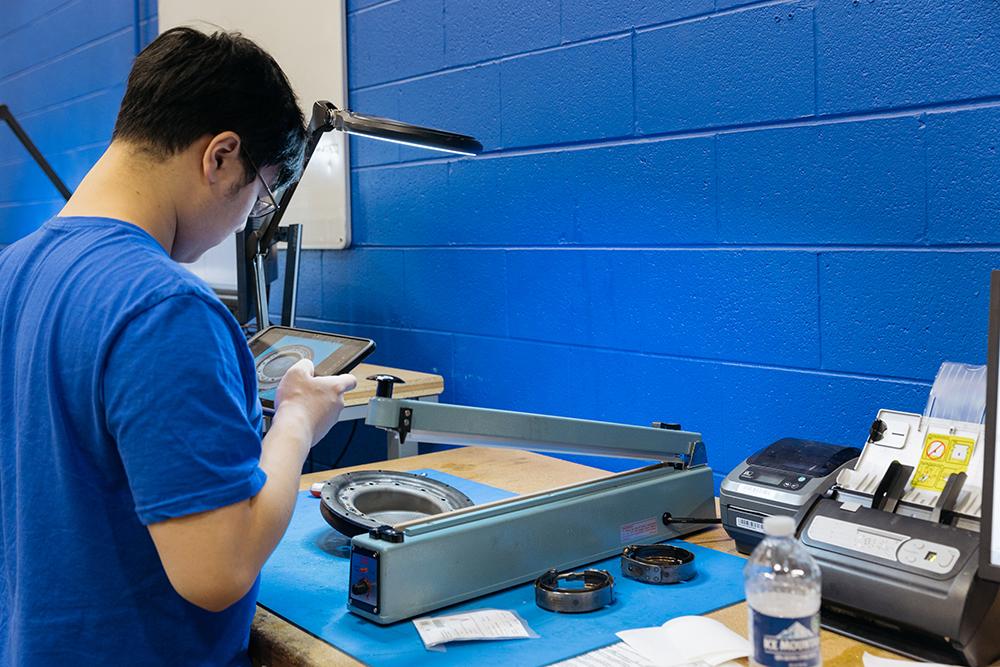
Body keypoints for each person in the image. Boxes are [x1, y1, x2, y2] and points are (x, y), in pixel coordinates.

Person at [0, 27, 356, 665]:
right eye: (259, 194)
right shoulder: (166, 307)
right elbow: (216, 571)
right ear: (220, 156)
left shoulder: (12, 269)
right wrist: (299, 418)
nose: (247, 219)